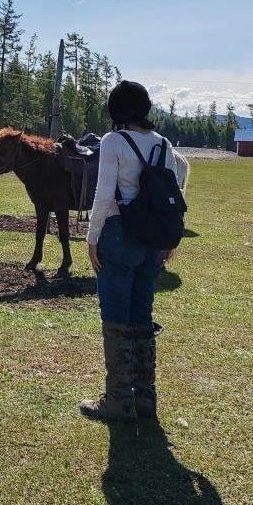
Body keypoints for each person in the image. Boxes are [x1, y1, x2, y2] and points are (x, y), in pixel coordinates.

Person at [80, 80, 177, 422]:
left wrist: (92, 237)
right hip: (154, 238)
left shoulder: (114, 141)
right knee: (141, 314)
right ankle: (145, 396)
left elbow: (105, 194)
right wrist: (168, 243)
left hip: (120, 234)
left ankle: (118, 399)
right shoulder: (163, 144)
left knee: (115, 317)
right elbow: (172, 195)